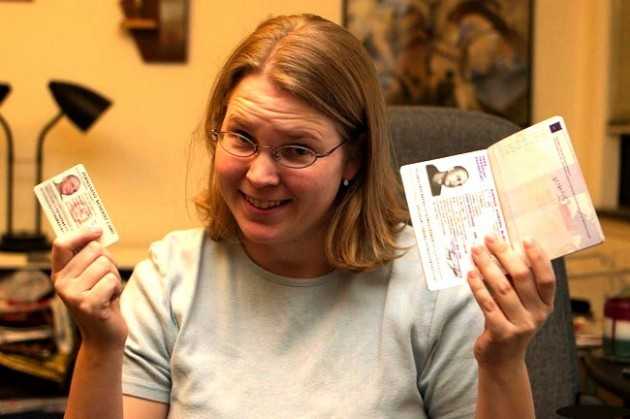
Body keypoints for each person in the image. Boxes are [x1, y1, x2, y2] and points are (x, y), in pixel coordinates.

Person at [51, 14, 555, 419]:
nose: (259, 175)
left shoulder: (435, 288)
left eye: (297, 150)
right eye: (241, 138)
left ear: (354, 158)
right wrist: (100, 345)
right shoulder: (168, 279)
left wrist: (502, 363)